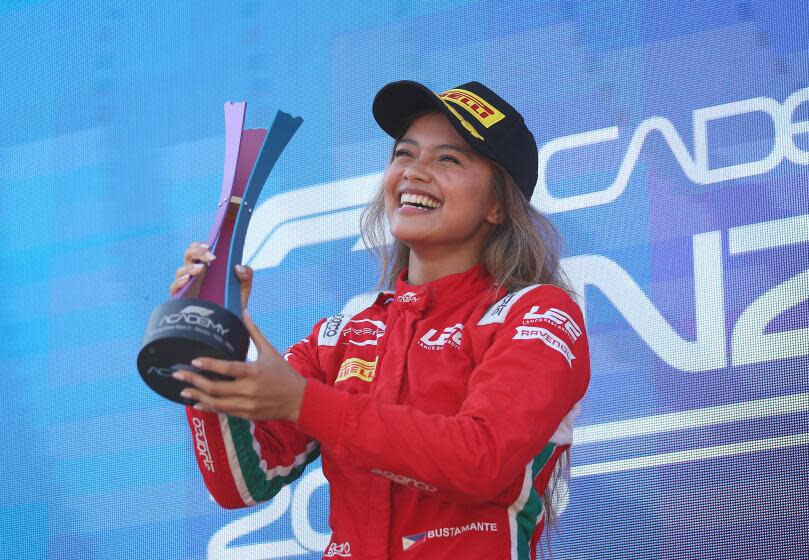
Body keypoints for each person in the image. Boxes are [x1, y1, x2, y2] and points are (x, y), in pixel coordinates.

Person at [170, 80, 590, 559]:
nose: (414, 173)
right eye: (404, 154)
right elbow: (244, 481)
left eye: (447, 159)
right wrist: (213, 336)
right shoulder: (346, 334)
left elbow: (481, 460)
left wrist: (305, 402)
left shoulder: (537, 313)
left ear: (499, 204)